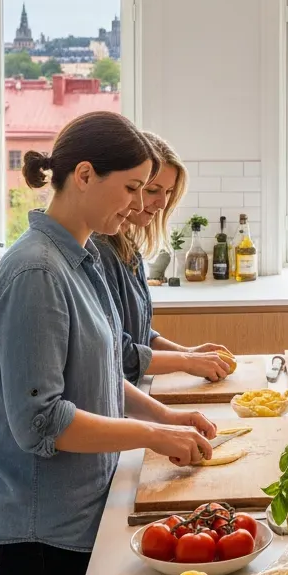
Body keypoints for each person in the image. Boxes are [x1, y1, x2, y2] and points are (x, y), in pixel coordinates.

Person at [0, 112, 219, 575]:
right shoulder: (37, 272)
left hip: (74, 518)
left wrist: (169, 417)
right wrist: (153, 434)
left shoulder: (81, 258)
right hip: (33, 532)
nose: (138, 204)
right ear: (83, 175)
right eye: (130, 188)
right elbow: (42, 422)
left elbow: (103, 371)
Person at [95, 132, 234, 386]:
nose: (162, 203)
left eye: (168, 192)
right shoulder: (100, 250)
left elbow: (139, 334)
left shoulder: (127, 246)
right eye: (152, 190)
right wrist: (186, 361)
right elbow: (121, 355)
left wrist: (189, 353)